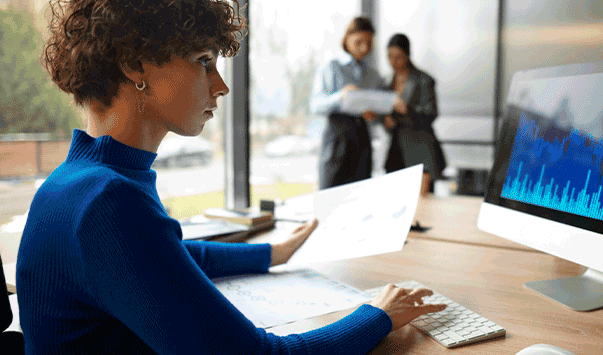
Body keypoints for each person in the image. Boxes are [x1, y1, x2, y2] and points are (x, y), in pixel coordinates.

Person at [16, 1, 446, 354]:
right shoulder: (107, 203)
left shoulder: (74, 181)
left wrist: (272, 254)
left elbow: (171, 257)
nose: (220, 85)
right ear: (135, 65)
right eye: (204, 62)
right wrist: (379, 314)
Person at [310, 17, 386, 189]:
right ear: (347, 39)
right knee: (330, 196)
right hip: (337, 141)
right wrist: (341, 96)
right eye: (359, 41)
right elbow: (316, 105)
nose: (364, 48)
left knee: (361, 197)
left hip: (362, 141)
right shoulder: (332, 66)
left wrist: (374, 114)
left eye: (369, 43)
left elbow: (380, 111)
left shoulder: (373, 75)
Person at [383, 34, 447, 196]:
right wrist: (385, 120)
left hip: (420, 152)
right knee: (394, 204)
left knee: (422, 208)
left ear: (407, 55)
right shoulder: (386, 82)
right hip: (395, 153)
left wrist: (407, 110)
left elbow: (431, 113)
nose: (393, 62)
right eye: (389, 57)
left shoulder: (424, 80)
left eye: (398, 57)